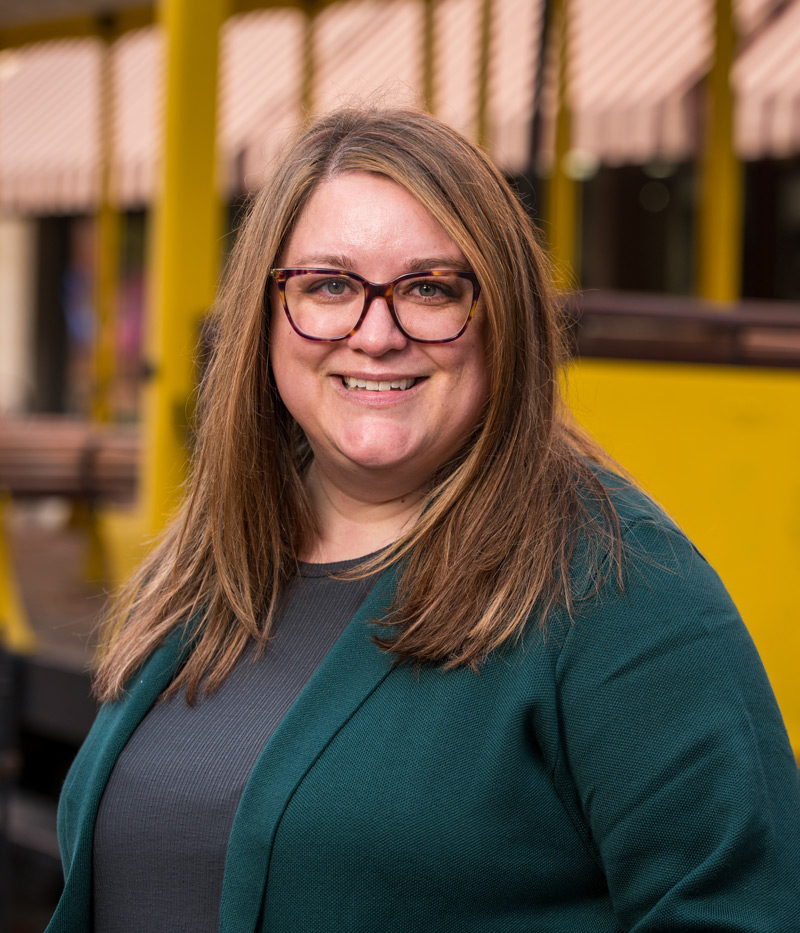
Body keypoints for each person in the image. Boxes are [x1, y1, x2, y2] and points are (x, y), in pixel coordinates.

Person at [48, 108, 800, 932]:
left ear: (504, 317)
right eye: (329, 285)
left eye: (431, 289)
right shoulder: (210, 563)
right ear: (265, 314)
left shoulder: (618, 584)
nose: (377, 334)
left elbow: (743, 910)